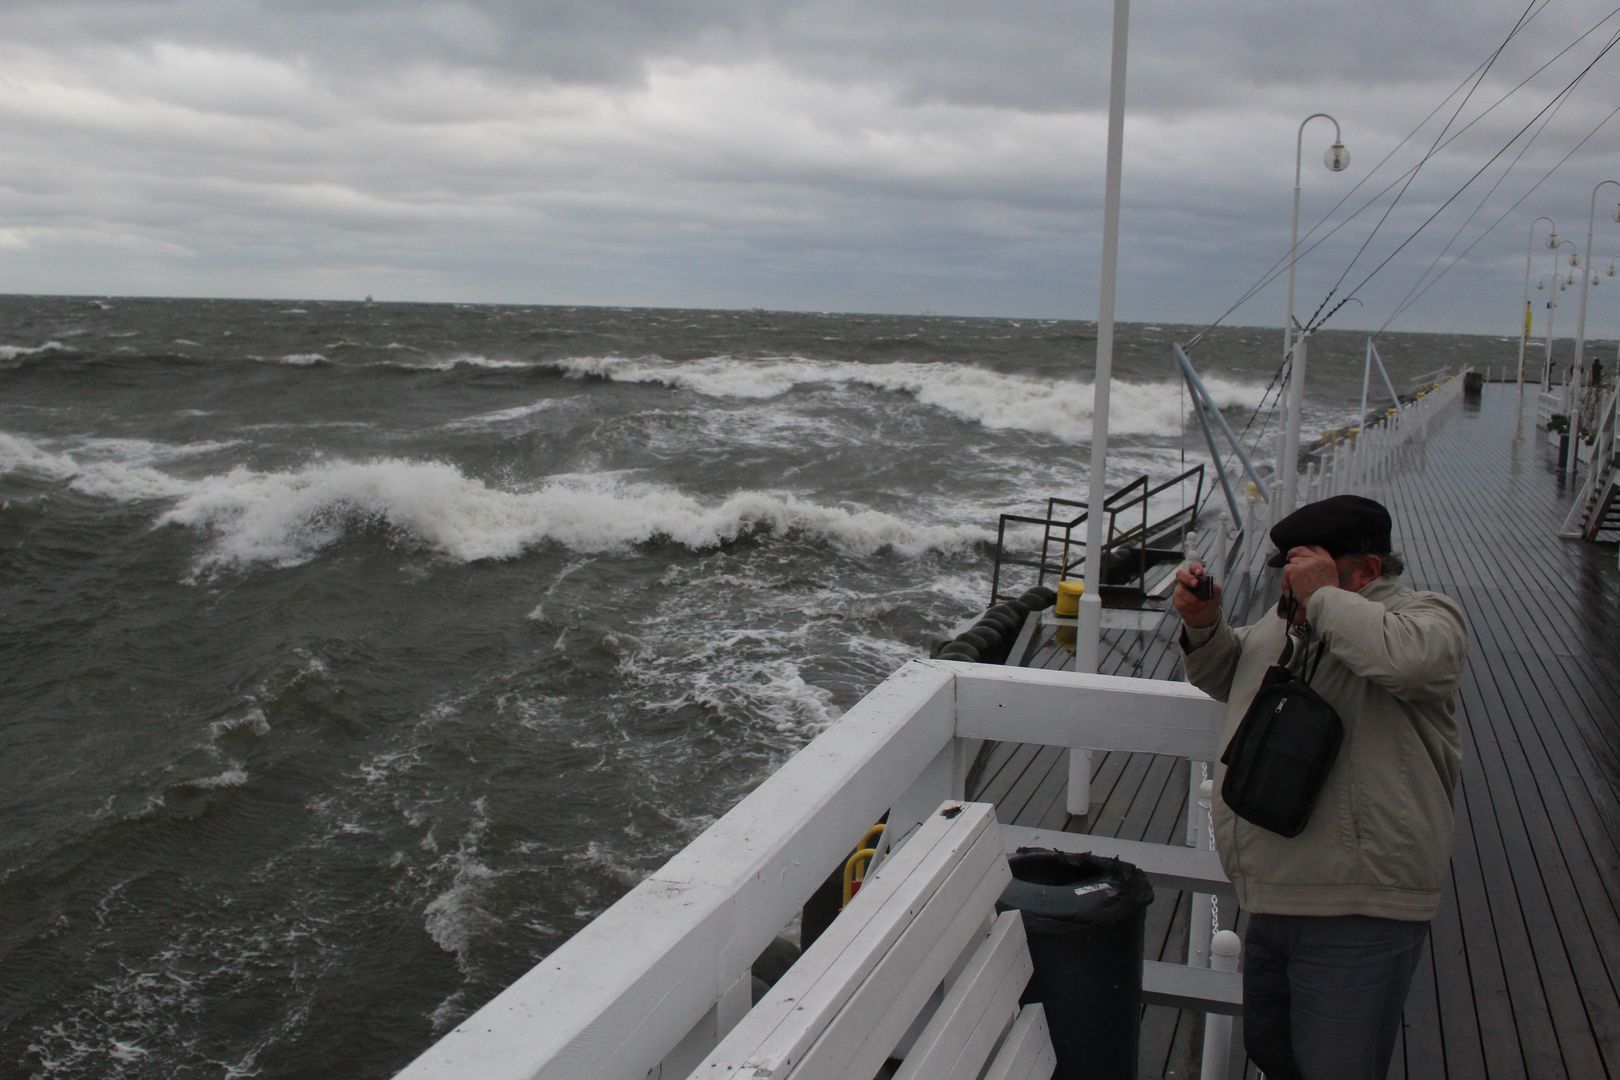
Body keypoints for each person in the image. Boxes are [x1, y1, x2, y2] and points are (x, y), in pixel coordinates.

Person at [1171, 494, 1468, 1080]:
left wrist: (1323, 597)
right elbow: (1233, 678)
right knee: (1276, 1055)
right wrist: (1205, 627)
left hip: (1359, 905)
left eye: (1306, 566)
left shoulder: (1425, 617)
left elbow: (1413, 663)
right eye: (1289, 567)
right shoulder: (1288, 622)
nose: (1291, 580)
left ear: (1368, 569)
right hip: (1271, 895)